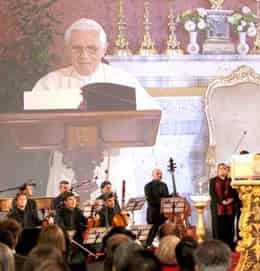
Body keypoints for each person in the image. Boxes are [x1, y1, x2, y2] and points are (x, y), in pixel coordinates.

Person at [32, 18, 159, 197]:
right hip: (66, 171)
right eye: (77, 48)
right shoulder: (50, 84)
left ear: (104, 48)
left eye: (92, 48)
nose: (84, 55)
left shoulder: (124, 81)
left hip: (113, 167)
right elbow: (34, 129)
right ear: (67, 49)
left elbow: (151, 120)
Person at [209, 163, 235, 249]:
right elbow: (212, 194)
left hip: (229, 207)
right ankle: (218, 247)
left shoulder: (231, 181)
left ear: (227, 170)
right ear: (217, 170)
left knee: (229, 227)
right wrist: (221, 202)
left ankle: (229, 246)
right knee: (218, 228)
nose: (222, 170)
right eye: (220, 168)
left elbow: (235, 193)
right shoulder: (213, 181)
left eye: (224, 168)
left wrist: (231, 200)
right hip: (217, 208)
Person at [144, 168, 170, 247]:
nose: (160, 175)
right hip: (153, 214)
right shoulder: (148, 186)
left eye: (161, 173)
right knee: (151, 234)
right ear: (153, 175)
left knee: (164, 232)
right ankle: (147, 247)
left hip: (163, 214)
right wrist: (162, 201)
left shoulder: (164, 185)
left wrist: (173, 195)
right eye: (158, 173)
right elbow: (150, 200)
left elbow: (167, 197)